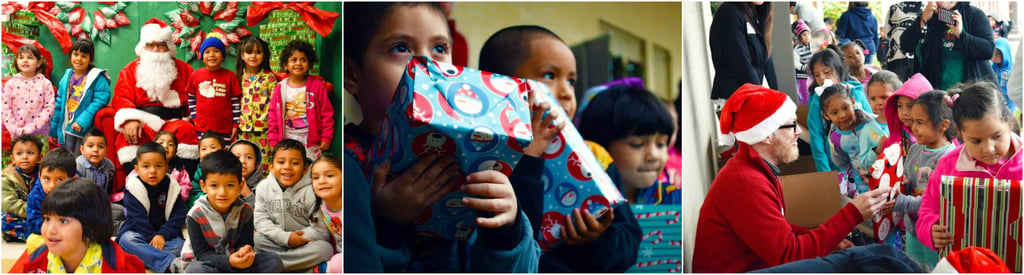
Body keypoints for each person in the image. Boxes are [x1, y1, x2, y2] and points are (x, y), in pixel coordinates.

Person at [343, 3, 539, 272]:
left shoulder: (473, 152)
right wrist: (387, 223)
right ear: (352, 75)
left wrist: (506, 230)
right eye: (401, 48)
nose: (426, 66)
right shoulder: (343, 165)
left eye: (439, 49)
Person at [479, 26, 642, 272]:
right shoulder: (486, 158)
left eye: (571, 80)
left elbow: (629, 242)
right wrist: (530, 156)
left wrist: (594, 240)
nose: (566, 92)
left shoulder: (594, 156)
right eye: (549, 75)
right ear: (500, 87)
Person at [693, 84, 890, 272]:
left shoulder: (753, 169)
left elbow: (779, 230)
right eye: (791, 125)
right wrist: (853, 213)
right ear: (766, 135)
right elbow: (789, 254)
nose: (798, 132)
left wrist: (829, 239)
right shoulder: (746, 182)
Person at [916, 82, 1021, 252]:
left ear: (1009, 123)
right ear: (960, 133)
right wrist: (931, 229)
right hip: (965, 263)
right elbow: (927, 208)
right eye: (976, 141)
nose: (988, 149)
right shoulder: (949, 165)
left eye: (997, 136)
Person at [111, 18, 198, 169]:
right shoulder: (130, 70)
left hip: (175, 122)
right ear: (143, 47)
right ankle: (137, 184)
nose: (156, 50)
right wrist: (131, 119)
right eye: (151, 45)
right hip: (144, 124)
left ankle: (182, 183)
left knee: (187, 131)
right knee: (128, 137)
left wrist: (194, 120)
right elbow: (121, 97)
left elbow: (194, 99)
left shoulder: (184, 69)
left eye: (161, 45)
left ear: (169, 47)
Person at [884, 91, 957, 270]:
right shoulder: (916, 148)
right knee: (914, 266)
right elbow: (910, 179)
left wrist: (902, 202)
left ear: (943, 125)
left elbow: (936, 202)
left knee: (934, 268)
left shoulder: (948, 158)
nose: (913, 128)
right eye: (913, 121)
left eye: (920, 122)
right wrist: (902, 184)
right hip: (913, 228)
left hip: (934, 233)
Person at [10, 178, 146, 273]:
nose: (50, 230)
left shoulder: (123, 267)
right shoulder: (33, 260)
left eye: (63, 221)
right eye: (47, 219)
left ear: (92, 226)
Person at [181, 150, 284, 272]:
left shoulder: (245, 211)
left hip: (236, 264)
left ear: (240, 186)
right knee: (195, 270)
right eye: (214, 186)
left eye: (229, 185)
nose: (222, 193)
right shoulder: (195, 215)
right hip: (207, 264)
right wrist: (229, 261)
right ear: (203, 186)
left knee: (273, 260)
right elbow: (202, 254)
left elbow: (245, 242)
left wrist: (244, 250)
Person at [578, 85, 681, 205]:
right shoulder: (583, 205)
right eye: (637, 145)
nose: (653, 156)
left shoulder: (675, 200)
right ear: (600, 147)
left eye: (661, 144)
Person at [254, 139, 332, 272]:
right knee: (257, 238)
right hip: (276, 240)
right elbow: (261, 220)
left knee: (325, 249)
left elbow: (320, 230)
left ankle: (273, 265)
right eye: (281, 162)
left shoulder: (312, 191)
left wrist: (298, 239)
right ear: (271, 167)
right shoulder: (263, 187)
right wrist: (285, 238)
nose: (287, 167)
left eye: (295, 163)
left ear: (305, 168)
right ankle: (300, 267)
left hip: (303, 243)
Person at [117, 142, 187, 273]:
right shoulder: (133, 188)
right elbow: (138, 220)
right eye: (146, 166)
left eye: (158, 166)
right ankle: (169, 263)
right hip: (139, 233)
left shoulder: (172, 186)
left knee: (181, 246)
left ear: (166, 167)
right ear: (137, 169)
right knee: (127, 240)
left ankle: (146, 256)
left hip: (165, 236)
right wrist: (152, 237)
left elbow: (179, 215)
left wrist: (162, 235)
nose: (153, 171)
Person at [900, 2, 996, 90]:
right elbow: (905, 45)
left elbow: (988, 50)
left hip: (965, 94)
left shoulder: (973, 14)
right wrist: (922, 20)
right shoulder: (929, 16)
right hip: (931, 94)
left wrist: (960, 35)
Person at [806, 48, 873, 173]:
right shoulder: (817, 100)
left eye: (826, 72)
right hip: (837, 166)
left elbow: (871, 123)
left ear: (838, 70)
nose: (822, 78)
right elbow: (816, 137)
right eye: (817, 75)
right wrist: (825, 172)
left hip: (866, 160)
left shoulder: (855, 91)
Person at [267, 40, 334, 160]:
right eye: (294, 60)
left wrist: (326, 137)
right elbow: (272, 115)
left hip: (311, 140)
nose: (298, 63)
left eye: (303, 60)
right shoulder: (280, 87)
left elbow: (326, 113)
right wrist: (273, 139)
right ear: (285, 65)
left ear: (309, 65)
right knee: (291, 165)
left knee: (310, 170)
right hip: (287, 137)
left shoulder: (317, 85)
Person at [821, 84, 887, 197]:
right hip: (863, 185)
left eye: (845, 108)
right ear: (826, 116)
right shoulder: (835, 138)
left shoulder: (872, 122)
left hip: (886, 176)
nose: (842, 115)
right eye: (834, 113)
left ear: (853, 102)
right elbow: (841, 162)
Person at [50, 38, 111, 153]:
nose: (79, 59)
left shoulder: (96, 77)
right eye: (76, 54)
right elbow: (59, 104)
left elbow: (100, 101)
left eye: (84, 56)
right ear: (70, 56)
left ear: (90, 59)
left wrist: (82, 121)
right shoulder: (67, 76)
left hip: (84, 128)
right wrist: (54, 129)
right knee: (66, 158)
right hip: (67, 127)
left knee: (80, 159)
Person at [709, 2, 777, 99]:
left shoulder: (755, 14)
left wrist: (777, 100)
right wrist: (764, 100)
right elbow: (742, 65)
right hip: (739, 100)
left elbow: (767, 62)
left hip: (757, 97)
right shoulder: (730, 12)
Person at [3, 44, 55, 162]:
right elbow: (5, 108)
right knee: (21, 165)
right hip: (17, 135)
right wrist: (14, 129)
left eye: (30, 57)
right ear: (16, 62)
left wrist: (33, 127)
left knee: (39, 164)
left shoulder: (45, 83)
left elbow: (49, 108)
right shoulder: (10, 84)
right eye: (21, 57)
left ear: (38, 62)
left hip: (39, 134)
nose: (25, 60)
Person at [186, 36, 242, 140]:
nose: (211, 55)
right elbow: (191, 99)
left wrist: (235, 124)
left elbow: (235, 103)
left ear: (223, 56)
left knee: (223, 155)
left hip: (225, 129)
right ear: (202, 57)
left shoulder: (230, 76)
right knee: (206, 155)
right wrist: (194, 118)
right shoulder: (195, 75)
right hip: (202, 128)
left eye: (216, 51)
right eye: (207, 52)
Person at [235, 36, 278, 172]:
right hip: (244, 130)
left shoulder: (269, 78)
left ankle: (263, 191)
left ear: (264, 55)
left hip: (264, 131)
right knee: (245, 164)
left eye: (258, 52)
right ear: (242, 55)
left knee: (264, 165)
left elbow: (274, 105)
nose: (253, 56)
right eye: (249, 52)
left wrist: (270, 126)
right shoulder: (238, 77)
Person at [74, 129, 125, 234]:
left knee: (120, 210)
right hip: (82, 206)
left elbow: (108, 190)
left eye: (101, 146)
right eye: (90, 146)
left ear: (106, 150)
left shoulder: (109, 165)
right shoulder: (78, 165)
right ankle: (114, 228)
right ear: (82, 149)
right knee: (85, 218)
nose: (96, 150)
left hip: (100, 204)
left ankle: (105, 226)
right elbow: (75, 194)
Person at [2, 135, 43, 242]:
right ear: (13, 158)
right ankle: (37, 235)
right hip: (22, 214)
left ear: (40, 157)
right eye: (19, 153)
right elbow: (9, 203)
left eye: (30, 153)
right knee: (5, 220)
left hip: (42, 212)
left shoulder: (44, 173)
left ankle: (31, 233)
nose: (24, 157)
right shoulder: (7, 177)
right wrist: (32, 210)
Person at [25, 148, 76, 235]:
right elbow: (33, 224)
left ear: (72, 179)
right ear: (40, 176)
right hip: (45, 234)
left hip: (70, 233)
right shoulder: (36, 196)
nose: (52, 185)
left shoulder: (77, 193)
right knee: (32, 241)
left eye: (60, 180)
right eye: (47, 179)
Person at [883, 74, 933, 153]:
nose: (904, 113)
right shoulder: (896, 138)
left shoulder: (935, 140)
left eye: (910, 106)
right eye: (900, 106)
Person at [312, 155, 344, 273]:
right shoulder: (321, 205)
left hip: (356, 255)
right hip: (335, 253)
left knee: (337, 262)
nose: (321, 181)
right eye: (315, 177)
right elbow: (320, 234)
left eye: (330, 175)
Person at [883, 2, 923, 81]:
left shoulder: (894, 8)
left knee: (896, 87)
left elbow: (887, 32)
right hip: (919, 55)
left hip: (897, 56)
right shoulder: (927, 9)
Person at [229, 139, 264, 205]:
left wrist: (248, 195)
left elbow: (266, 213)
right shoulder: (222, 184)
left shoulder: (265, 187)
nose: (242, 161)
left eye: (248, 157)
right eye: (237, 157)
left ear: (257, 164)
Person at [992, 37, 1016, 112]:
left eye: (998, 54)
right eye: (993, 53)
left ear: (1005, 53)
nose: (994, 57)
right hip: (997, 101)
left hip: (1010, 103)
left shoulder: (1012, 69)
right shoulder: (992, 68)